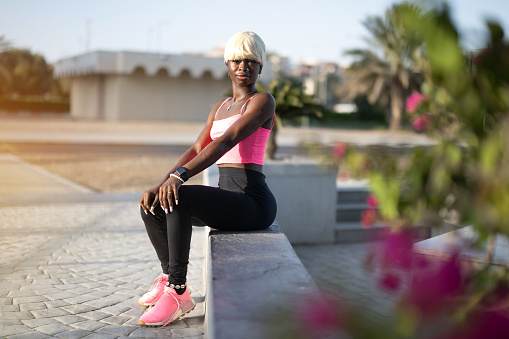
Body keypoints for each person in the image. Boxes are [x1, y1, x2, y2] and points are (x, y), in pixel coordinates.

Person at [138, 31, 277, 327]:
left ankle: (178, 292)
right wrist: (164, 181)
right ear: (227, 64)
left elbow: (227, 140)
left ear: (260, 66)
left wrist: (181, 177)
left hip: (252, 203)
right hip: (228, 198)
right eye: (237, 60)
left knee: (181, 198)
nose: (244, 66)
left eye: (251, 60)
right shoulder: (219, 106)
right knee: (152, 204)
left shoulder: (262, 101)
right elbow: (197, 148)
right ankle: (168, 277)